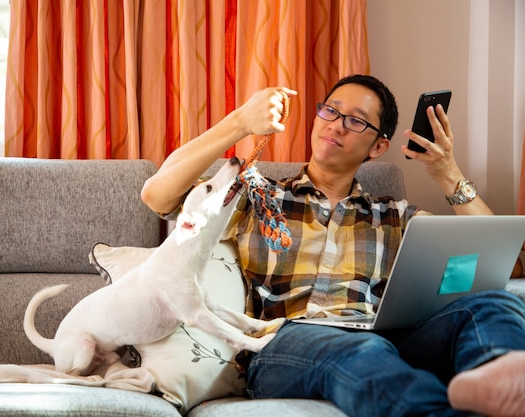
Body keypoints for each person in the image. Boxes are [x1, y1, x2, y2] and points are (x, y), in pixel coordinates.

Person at [141, 74, 525, 417]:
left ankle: (504, 389)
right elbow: (158, 197)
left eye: (355, 120)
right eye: (330, 111)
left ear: (377, 147)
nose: (337, 125)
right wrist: (240, 121)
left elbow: (507, 266)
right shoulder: (255, 195)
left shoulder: (394, 216)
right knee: (361, 352)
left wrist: (448, 174)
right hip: (287, 343)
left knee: (496, 303)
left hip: (385, 338)